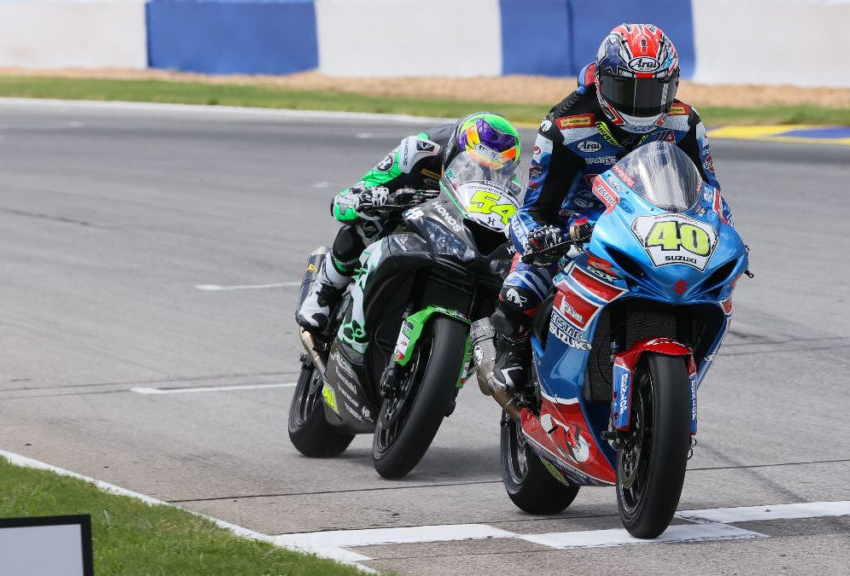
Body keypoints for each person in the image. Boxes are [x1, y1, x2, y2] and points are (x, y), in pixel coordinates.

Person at [490, 23, 734, 391]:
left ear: (674, 85)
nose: (641, 103)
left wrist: (725, 234)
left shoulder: (685, 122)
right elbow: (533, 210)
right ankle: (511, 357)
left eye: (655, 90)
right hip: (578, 230)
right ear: (602, 82)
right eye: (628, 89)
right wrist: (540, 240)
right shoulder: (565, 125)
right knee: (519, 291)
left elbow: (711, 195)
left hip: (655, 227)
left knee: (710, 289)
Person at [297, 112, 523, 334]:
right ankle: (325, 290)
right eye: (473, 165)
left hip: (458, 227)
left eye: (493, 169)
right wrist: (365, 199)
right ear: (454, 151)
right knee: (369, 222)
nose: (481, 172)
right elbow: (353, 195)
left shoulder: (509, 183)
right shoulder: (418, 150)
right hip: (409, 211)